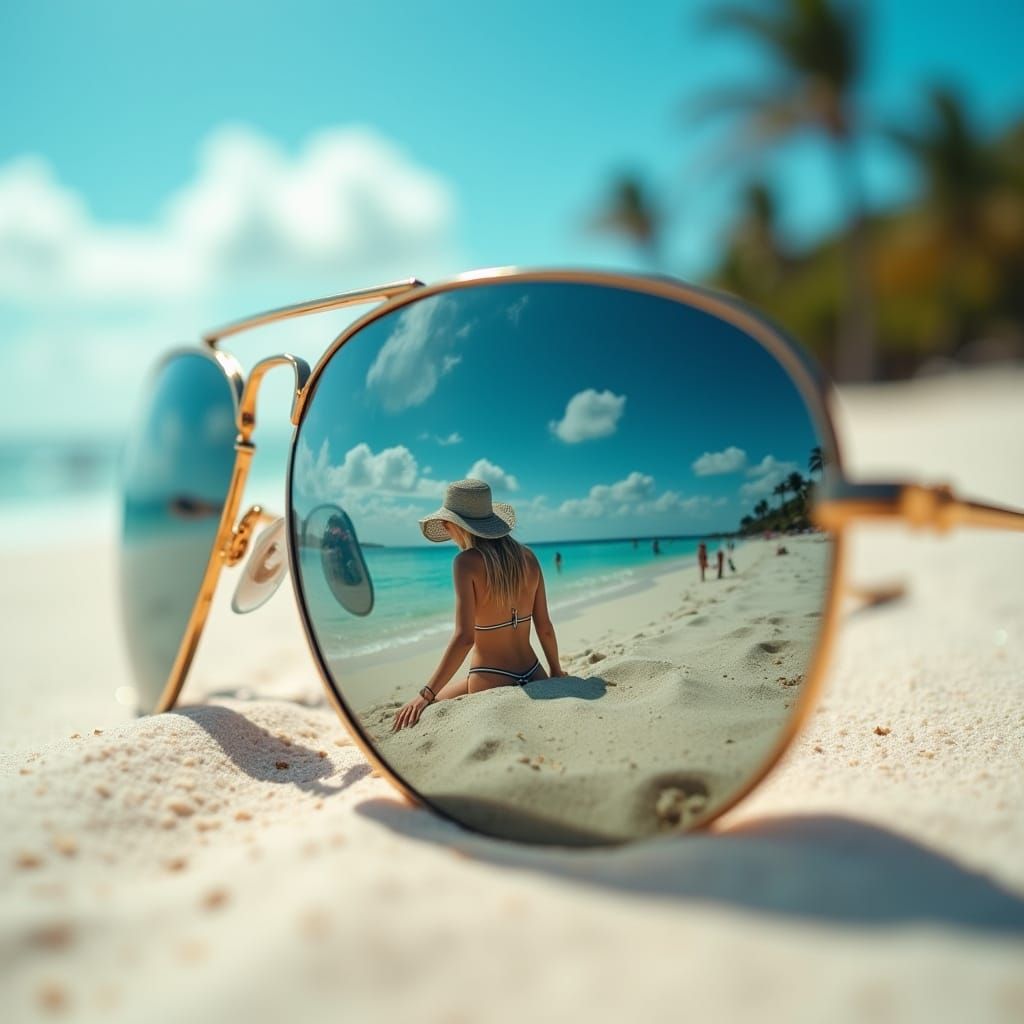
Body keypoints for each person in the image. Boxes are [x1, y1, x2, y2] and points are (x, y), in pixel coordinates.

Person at [391, 479, 565, 732]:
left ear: (456, 525)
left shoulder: (465, 563)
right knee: (441, 697)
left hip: (490, 678)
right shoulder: (529, 557)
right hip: (534, 672)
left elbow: (464, 639)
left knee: (428, 704)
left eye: (445, 521)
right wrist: (555, 671)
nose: (444, 527)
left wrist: (425, 694)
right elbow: (545, 627)